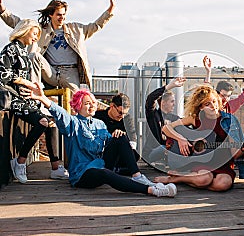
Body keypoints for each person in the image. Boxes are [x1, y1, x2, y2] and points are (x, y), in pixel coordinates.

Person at [22, 85, 177, 198]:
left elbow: (111, 147)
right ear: (78, 106)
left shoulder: (100, 124)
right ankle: (152, 190)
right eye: (86, 103)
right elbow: (60, 114)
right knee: (105, 174)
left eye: (93, 102)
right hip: (83, 174)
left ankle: (137, 176)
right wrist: (43, 98)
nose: (91, 105)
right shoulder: (73, 123)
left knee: (120, 136)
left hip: (101, 163)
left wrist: (116, 136)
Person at [0, 0, 117, 92]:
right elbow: (18, 23)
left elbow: (96, 26)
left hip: (70, 73)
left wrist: (110, 10)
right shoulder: (41, 30)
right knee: (34, 56)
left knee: (77, 102)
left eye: (64, 14)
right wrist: (2, 10)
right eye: (59, 15)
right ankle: (33, 92)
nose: (62, 18)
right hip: (51, 71)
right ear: (51, 14)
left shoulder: (76, 29)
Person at [1, 19, 66, 183]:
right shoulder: (10, 49)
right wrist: (27, 83)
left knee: (50, 122)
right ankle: (20, 162)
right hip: (12, 98)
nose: (36, 37)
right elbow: (3, 75)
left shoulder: (24, 51)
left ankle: (56, 168)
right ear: (25, 30)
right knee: (42, 122)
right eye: (34, 33)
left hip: (25, 97)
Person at [154, 85, 244, 192]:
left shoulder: (229, 121)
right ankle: (175, 179)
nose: (213, 106)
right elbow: (166, 128)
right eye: (207, 104)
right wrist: (181, 139)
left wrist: (243, 150)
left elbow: (235, 153)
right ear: (200, 107)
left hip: (222, 164)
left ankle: (185, 178)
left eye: (214, 102)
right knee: (205, 179)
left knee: (223, 184)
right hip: (201, 162)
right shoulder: (195, 118)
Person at [143, 77, 186, 164]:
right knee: (164, 147)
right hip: (152, 153)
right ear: (163, 103)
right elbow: (150, 99)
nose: (174, 104)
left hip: (167, 153)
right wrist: (169, 86)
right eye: (172, 101)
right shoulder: (153, 115)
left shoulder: (175, 118)